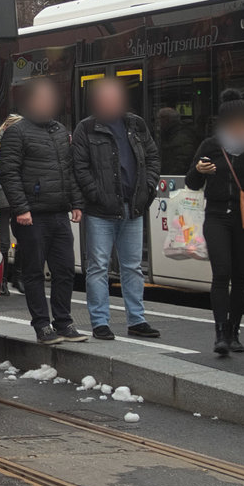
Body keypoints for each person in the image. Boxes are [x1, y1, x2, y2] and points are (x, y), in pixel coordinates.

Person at [185, 89, 244, 355]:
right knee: (221, 272)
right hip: (215, 216)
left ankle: (234, 332)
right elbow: (192, 182)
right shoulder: (210, 145)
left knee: (240, 276)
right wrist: (198, 171)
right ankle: (220, 333)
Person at [0, 78, 86, 345]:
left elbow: (68, 171)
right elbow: (8, 173)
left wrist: (76, 202)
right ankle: (42, 326)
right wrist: (21, 208)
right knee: (34, 271)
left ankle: (64, 323)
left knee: (64, 270)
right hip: (31, 216)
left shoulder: (60, 131)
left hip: (59, 213)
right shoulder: (18, 132)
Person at [72, 78, 162, 341]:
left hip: (133, 206)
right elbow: (80, 167)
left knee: (132, 267)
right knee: (98, 266)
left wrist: (148, 186)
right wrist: (96, 195)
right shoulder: (86, 128)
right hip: (100, 210)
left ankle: (137, 320)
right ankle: (100, 322)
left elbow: (153, 157)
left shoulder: (136, 124)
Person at [0, 113, 23, 295]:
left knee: (24, 239)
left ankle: (18, 277)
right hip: (0, 195)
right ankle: (3, 280)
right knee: (4, 241)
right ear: (6, 127)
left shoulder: (20, 144)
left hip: (18, 194)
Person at [157, 107, 198, 173]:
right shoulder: (167, 136)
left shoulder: (181, 137)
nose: (158, 123)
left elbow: (183, 162)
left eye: (160, 119)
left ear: (167, 120)